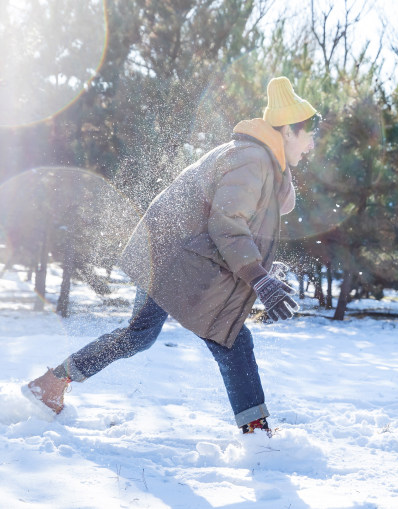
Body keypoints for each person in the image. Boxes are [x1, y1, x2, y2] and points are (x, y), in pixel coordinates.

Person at [26, 77, 319, 436]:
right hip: (177, 255)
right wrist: (258, 276)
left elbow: (239, 223)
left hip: (176, 252)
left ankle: (52, 383)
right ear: (288, 131)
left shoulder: (260, 160)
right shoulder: (252, 158)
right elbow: (227, 224)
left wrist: (265, 270)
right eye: (310, 133)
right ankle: (257, 434)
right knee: (230, 337)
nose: (313, 144)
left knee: (139, 336)